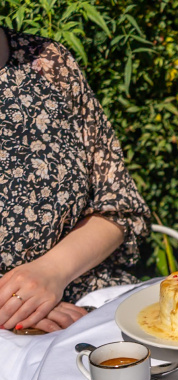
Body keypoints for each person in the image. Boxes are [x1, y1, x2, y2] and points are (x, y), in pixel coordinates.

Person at [0, 27, 151, 333]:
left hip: (92, 306)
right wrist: (19, 306)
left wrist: (51, 272)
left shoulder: (47, 61)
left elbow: (118, 206)